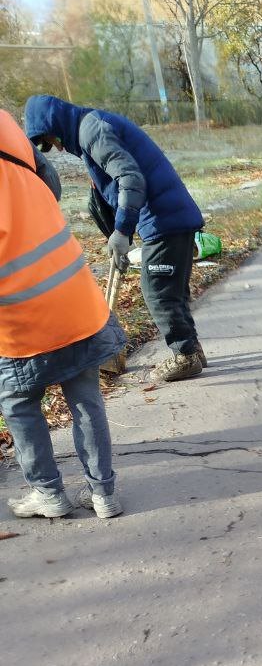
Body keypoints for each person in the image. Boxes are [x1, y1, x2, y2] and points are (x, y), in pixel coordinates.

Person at [24, 95, 206, 382]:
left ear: (54, 126)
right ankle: (192, 349)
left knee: (157, 290)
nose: (54, 148)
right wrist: (117, 231)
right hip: (169, 216)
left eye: (48, 141)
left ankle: (184, 355)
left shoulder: (92, 131)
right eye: (45, 147)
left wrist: (122, 231)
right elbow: (109, 189)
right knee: (171, 290)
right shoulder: (90, 128)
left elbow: (130, 178)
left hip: (164, 217)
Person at [0, 108, 125, 518]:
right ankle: (104, 494)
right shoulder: (4, 124)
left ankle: (50, 494)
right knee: (85, 396)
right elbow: (50, 185)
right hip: (72, 294)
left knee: (19, 403)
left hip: (21, 315)